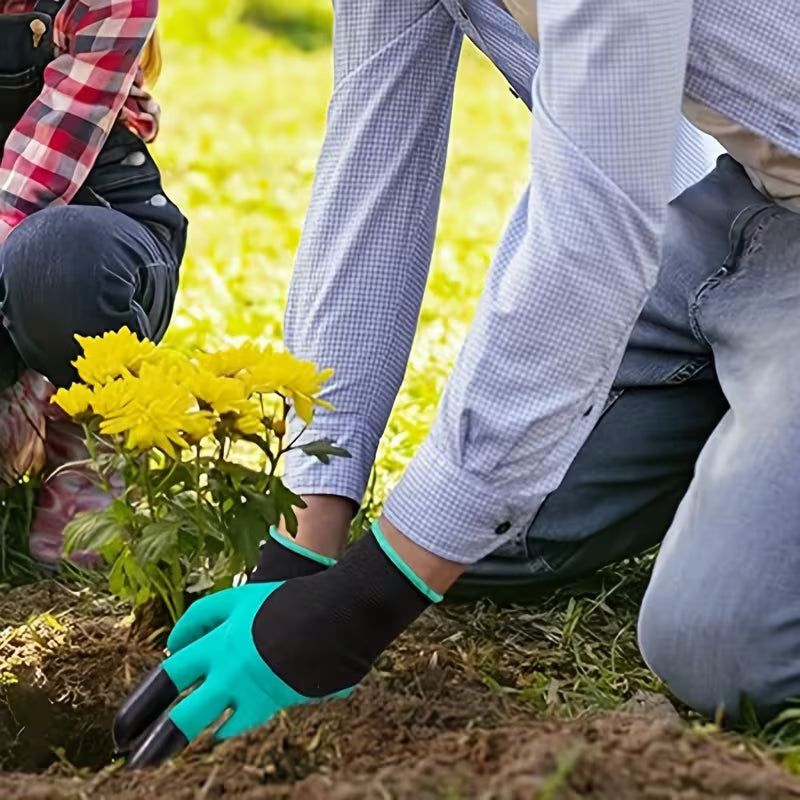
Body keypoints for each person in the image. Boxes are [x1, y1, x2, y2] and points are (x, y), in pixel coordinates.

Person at [115, 0, 800, 768]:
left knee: (722, 646)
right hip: (741, 203)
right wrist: (301, 550)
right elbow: (371, 176)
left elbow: (588, 251)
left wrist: (357, 609)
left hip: (671, 228)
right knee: (477, 539)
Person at [0, 0, 186, 564]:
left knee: (56, 261)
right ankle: (24, 396)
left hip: (91, 244)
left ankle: (89, 441)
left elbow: (31, 182)